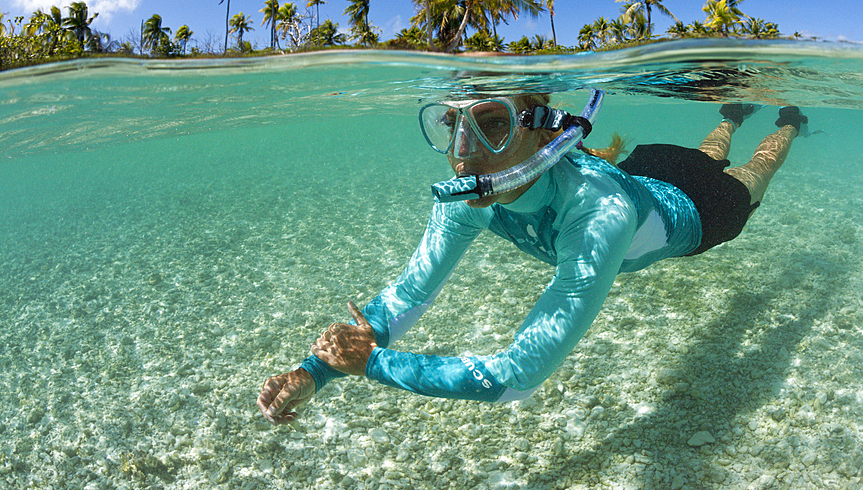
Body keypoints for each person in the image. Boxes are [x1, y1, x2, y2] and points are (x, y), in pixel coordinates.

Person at [257, 95, 809, 423]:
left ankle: (787, 122)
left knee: (752, 173)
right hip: (648, 173)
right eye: (454, 124)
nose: (464, 152)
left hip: (696, 214)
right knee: (709, 150)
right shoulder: (469, 197)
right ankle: (733, 113)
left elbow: (516, 378)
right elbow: (408, 295)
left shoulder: (599, 214)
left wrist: (374, 364)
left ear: (543, 128)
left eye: (493, 123)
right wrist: (314, 372)